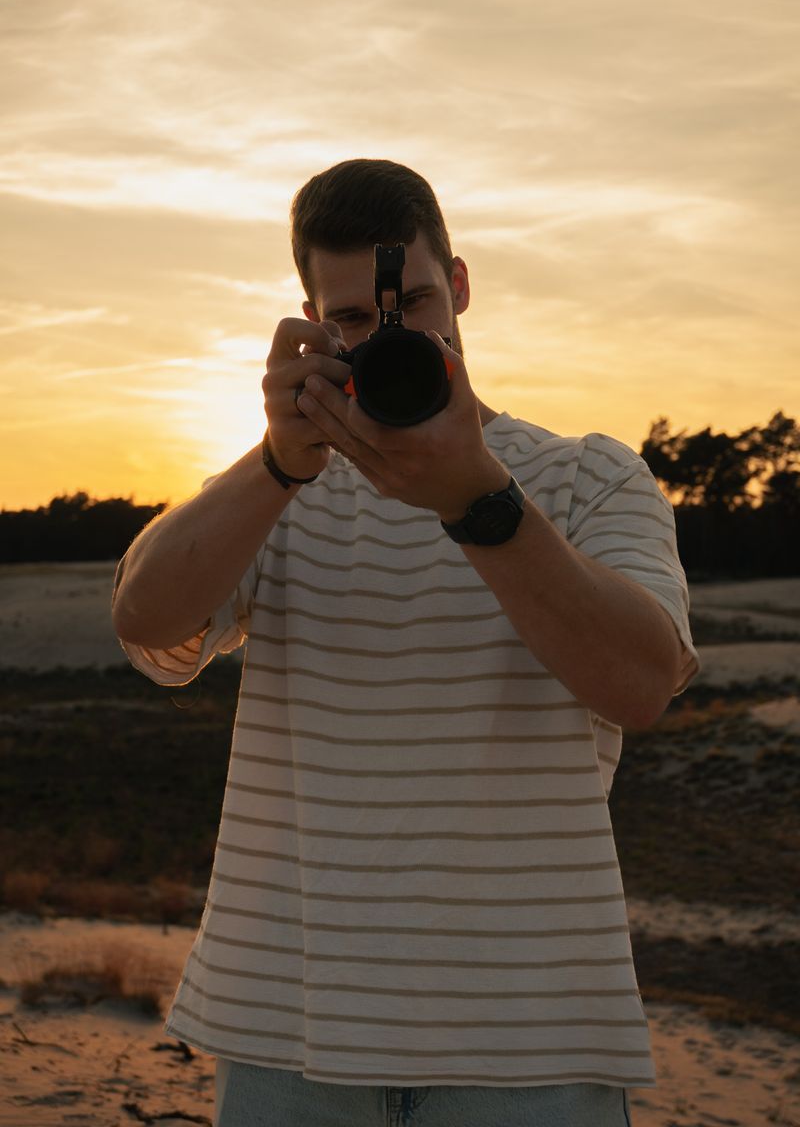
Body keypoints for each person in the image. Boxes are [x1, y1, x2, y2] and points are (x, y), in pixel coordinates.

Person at [112, 159, 699, 1127]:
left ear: (459, 287)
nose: (386, 338)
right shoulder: (280, 494)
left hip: (530, 1040)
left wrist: (475, 495)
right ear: (308, 321)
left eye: (412, 303)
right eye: (347, 321)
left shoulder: (586, 478)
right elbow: (143, 617)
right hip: (285, 1035)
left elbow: (640, 681)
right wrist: (274, 463)